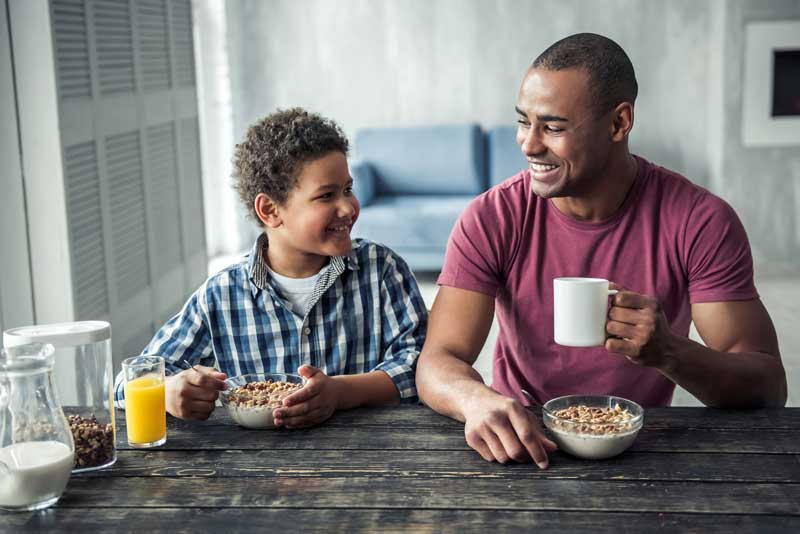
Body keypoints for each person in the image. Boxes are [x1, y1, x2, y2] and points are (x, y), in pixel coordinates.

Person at [415, 33, 786, 469]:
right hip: (522, 443)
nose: (529, 144)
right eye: (524, 121)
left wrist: (669, 352)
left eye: (552, 127)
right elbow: (437, 361)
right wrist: (475, 401)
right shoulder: (492, 217)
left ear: (618, 123)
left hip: (641, 448)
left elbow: (767, 384)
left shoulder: (700, 220)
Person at [114, 108, 428, 428]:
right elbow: (126, 386)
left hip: (370, 456)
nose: (348, 207)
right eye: (326, 196)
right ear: (270, 210)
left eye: (348, 190)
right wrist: (169, 391)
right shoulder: (220, 296)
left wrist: (340, 392)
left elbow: (421, 368)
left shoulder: (383, 271)